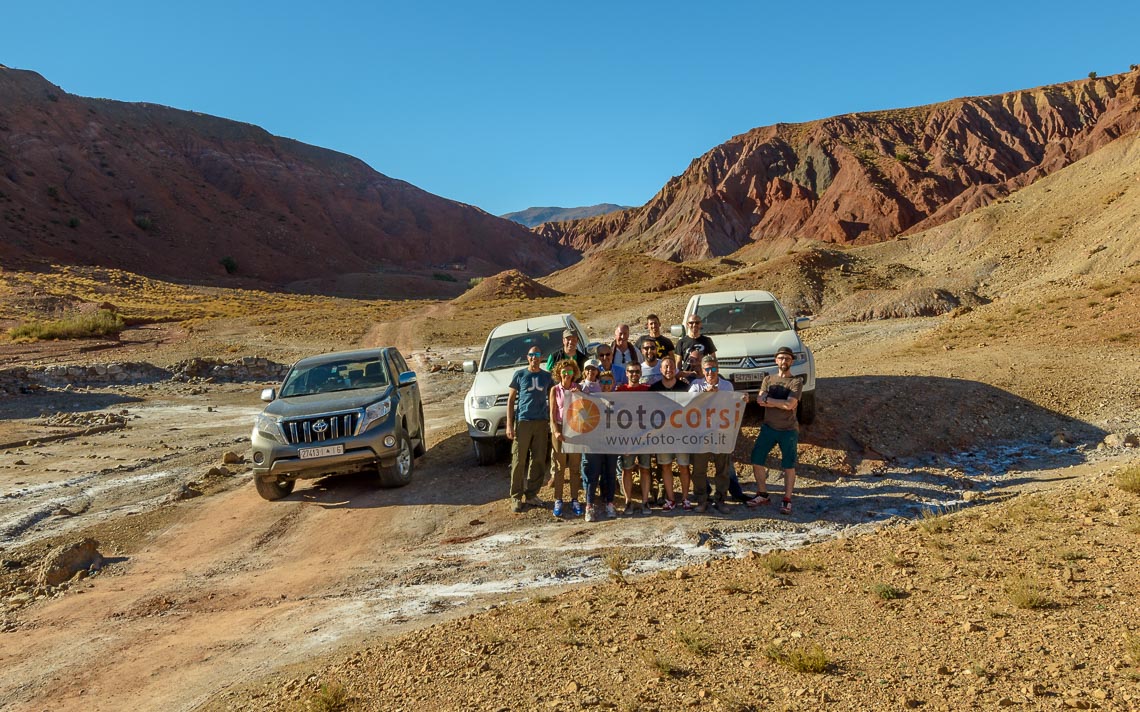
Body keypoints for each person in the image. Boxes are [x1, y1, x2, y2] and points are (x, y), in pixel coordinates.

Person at [748, 346, 803, 515]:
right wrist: (779, 402)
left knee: (788, 465)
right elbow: (759, 400)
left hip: (788, 430)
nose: (783, 361)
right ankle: (762, 493)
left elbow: (790, 405)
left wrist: (769, 400)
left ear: (791, 361)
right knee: (757, 459)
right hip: (768, 428)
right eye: (781, 358)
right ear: (776, 360)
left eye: (787, 358)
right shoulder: (768, 379)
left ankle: (787, 499)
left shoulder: (796, 382)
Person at [687, 355, 738, 514]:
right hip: (701, 434)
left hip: (721, 433)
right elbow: (689, 406)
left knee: (722, 469)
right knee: (699, 470)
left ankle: (721, 499)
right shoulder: (695, 386)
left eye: (713, 369)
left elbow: (731, 406)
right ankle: (702, 499)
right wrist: (706, 395)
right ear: (702, 370)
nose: (710, 373)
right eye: (707, 369)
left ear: (718, 369)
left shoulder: (727, 386)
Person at [506, 346, 554, 513]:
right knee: (519, 460)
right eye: (532, 355)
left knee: (539, 459)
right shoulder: (520, 375)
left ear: (541, 358)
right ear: (527, 357)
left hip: (541, 422)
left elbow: (554, 398)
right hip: (523, 421)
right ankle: (516, 497)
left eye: (537, 355)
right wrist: (509, 424)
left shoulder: (547, 377)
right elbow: (511, 401)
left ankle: (532, 494)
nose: (534, 358)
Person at [649, 356, 690, 511]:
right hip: (663, 435)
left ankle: (686, 498)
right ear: (661, 369)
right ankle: (671, 499)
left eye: (671, 367)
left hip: (682, 434)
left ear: (675, 369)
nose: (668, 369)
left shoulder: (685, 387)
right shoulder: (654, 389)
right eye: (665, 367)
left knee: (683, 467)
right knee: (666, 467)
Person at [581, 371, 619, 521]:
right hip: (595, 442)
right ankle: (589, 506)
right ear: (599, 384)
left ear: (613, 384)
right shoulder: (591, 398)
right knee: (593, 474)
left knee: (610, 473)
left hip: (612, 442)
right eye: (603, 382)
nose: (606, 385)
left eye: (609, 382)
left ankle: (610, 503)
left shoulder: (620, 399)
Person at [549, 359, 583, 518]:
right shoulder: (555, 390)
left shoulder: (578, 388)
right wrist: (555, 430)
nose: (567, 375)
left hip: (574, 428)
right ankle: (558, 499)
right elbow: (552, 413)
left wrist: (579, 394)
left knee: (575, 466)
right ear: (559, 373)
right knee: (559, 466)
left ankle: (575, 498)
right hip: (560, 428)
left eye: (570, 372)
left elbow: (585, 410)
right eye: (564, 372)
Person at [617, 362, 651, 514]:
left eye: (637, 371)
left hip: (645, 437)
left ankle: (645, 502)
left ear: (641, 373)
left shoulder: (648, 390)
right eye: (631, 372)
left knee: (645, 469)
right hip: (627, 438)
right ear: (626, 373)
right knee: (627, 470)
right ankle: (628, 501)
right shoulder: (620, 390)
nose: (634, 374)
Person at [677, 315, 716, 380]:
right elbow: (678, 363)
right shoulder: (681, 342)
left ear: (700, 324)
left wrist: (714, 373)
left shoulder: (707, 340)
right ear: (687, 325)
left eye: (697, 323)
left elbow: (713, 359)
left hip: (703, 377)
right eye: (691, 323)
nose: (694, 325)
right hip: (687, 377)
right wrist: (679, 376)